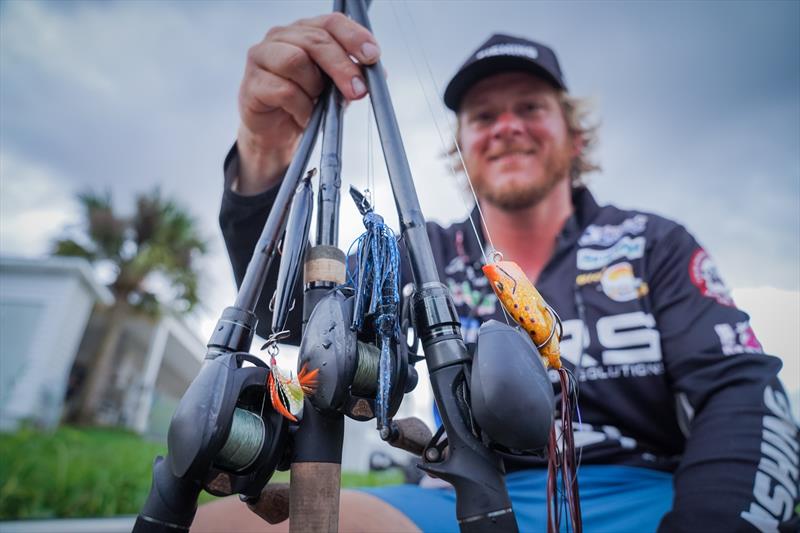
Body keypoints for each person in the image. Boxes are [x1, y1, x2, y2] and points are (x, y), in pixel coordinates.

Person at [194, 13, 800, 533]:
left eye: (530, 108)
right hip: (459, 488)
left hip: (644, 492)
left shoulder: (654, 243)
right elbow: (299, 318)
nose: (507, 126)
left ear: (573, 135)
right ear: (459, 142)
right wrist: (264, 148)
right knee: (221, 525)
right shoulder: (422, 249)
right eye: (483, 116)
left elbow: (741, 393)